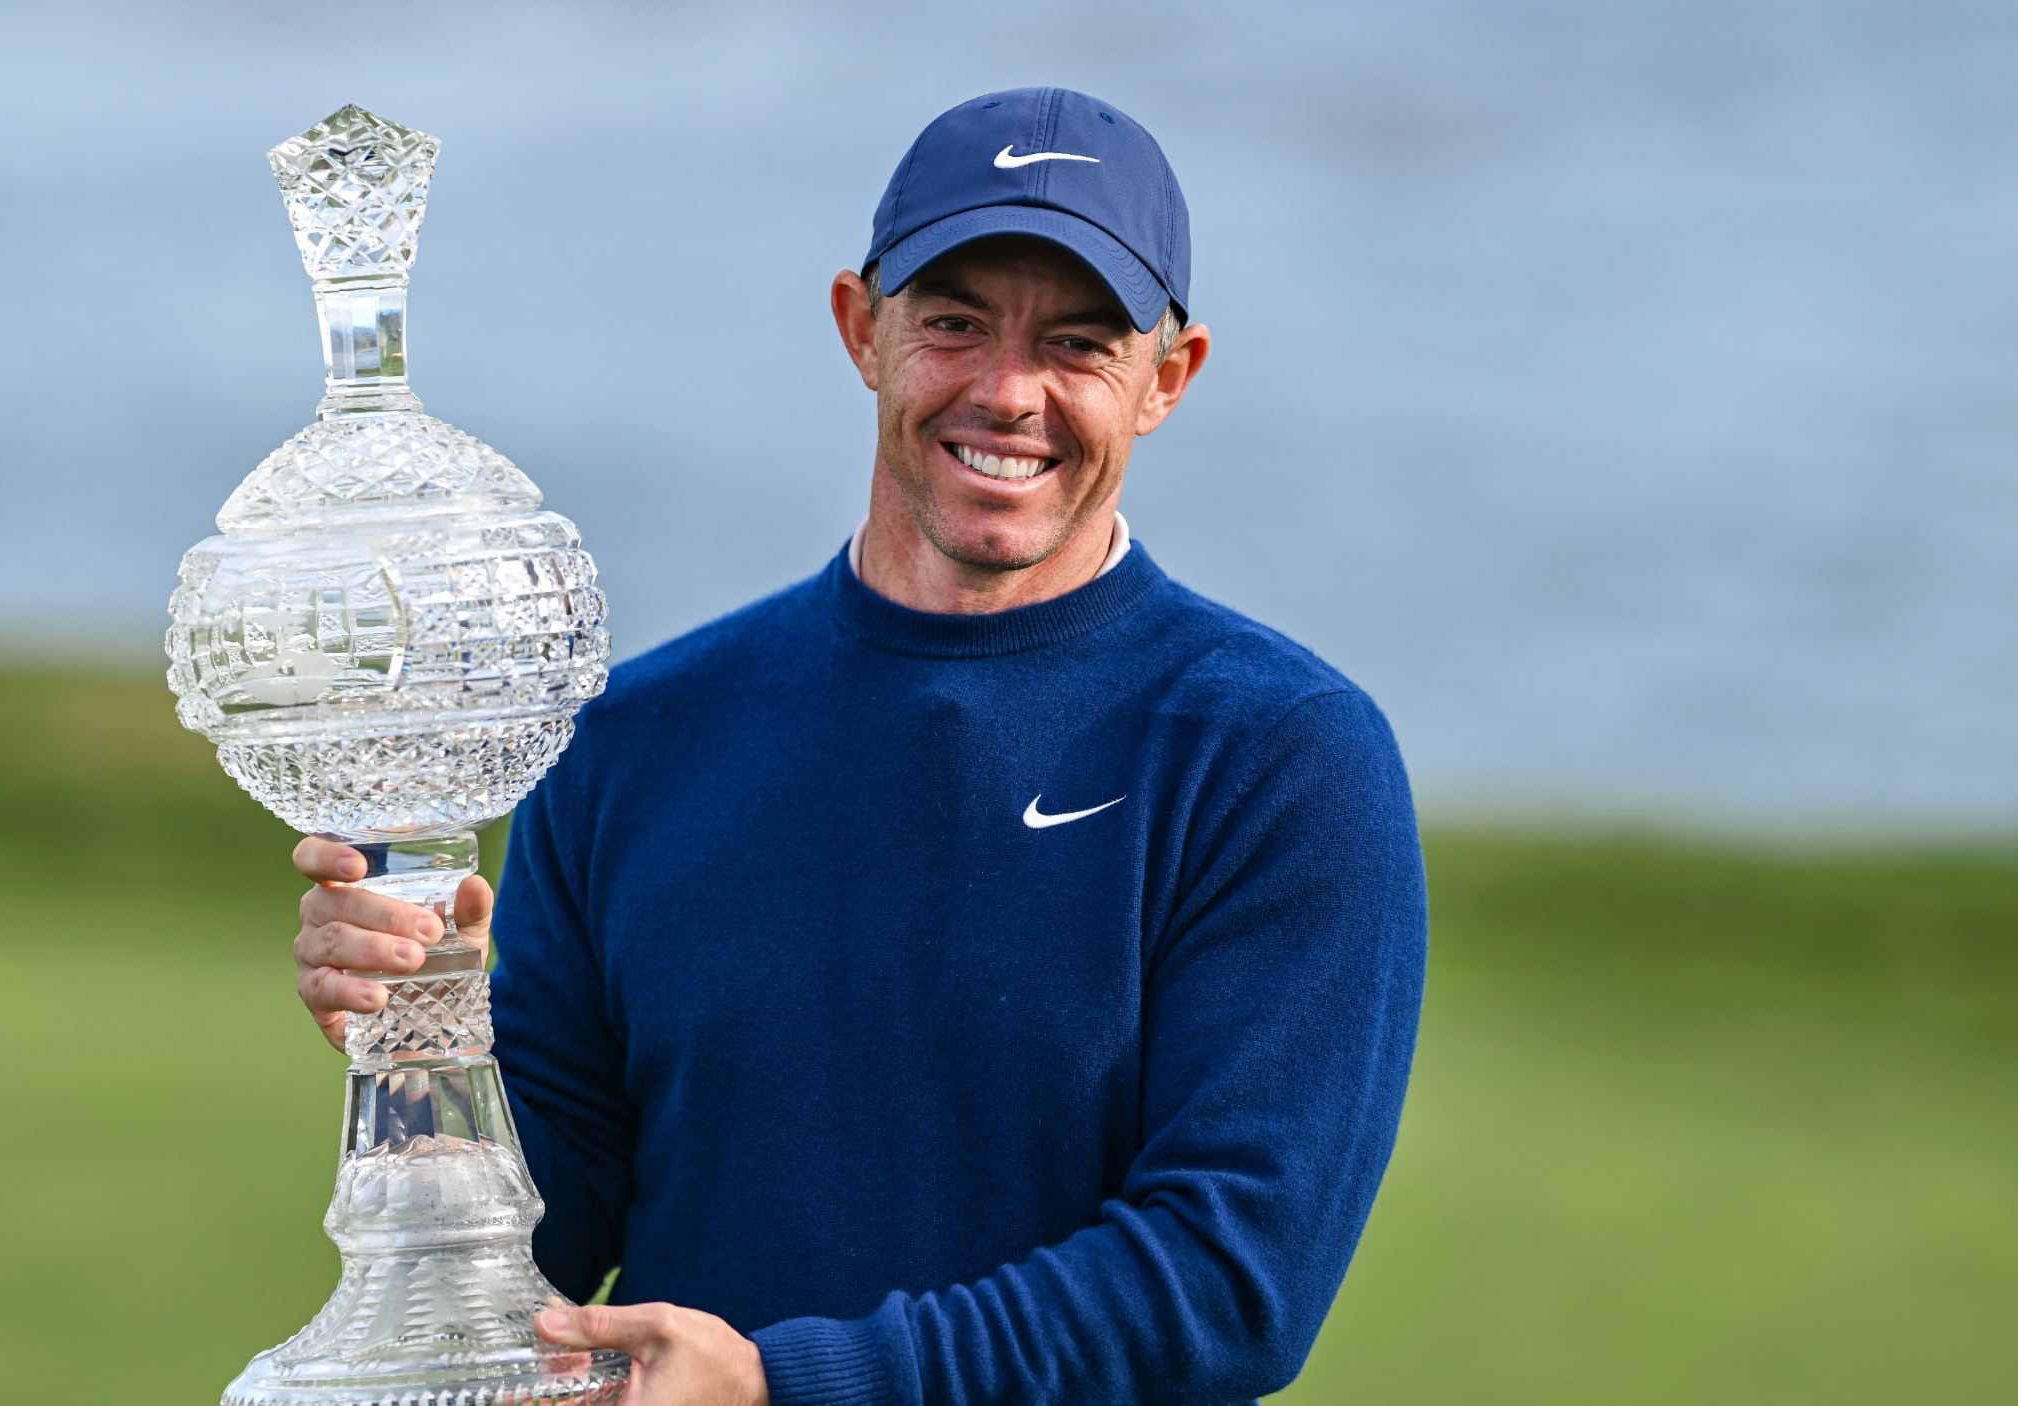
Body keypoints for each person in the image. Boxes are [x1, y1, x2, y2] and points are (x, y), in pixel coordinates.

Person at [287, 88, 1426, 1406]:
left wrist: (790, 1382)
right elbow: (522, 1262)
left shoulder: (1280, 759)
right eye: (953, 323)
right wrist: (425, 1052)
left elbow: (1233, 1283)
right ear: (860, 328)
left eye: (1078, 342)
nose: (1008, 393)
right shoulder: (628, 744)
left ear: (1167, 378)